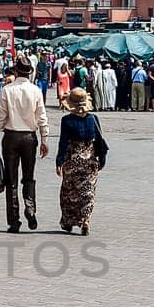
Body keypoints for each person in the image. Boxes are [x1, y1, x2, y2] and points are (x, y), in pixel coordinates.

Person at [0, 56, 49, 232]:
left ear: (15, 70)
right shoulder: (36, 90)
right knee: (29, 177)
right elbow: (42, 117)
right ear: (30, 72)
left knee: (11, 180)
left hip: (11, 137)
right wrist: (44, 139)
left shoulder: (7, 90)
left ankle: (14, 221)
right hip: (30, 138)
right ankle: (30, 209)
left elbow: (0, 117)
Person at [56, 87, 105, 234]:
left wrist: (59, 162)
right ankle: (85, 220)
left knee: (69, 192)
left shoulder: (66, 120)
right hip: (90, 160)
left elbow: (63, 142)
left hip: (72, 160)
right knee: (87, 192)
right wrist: (102, 159)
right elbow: (99, 141)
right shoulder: (93, 119)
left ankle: (68, 221)